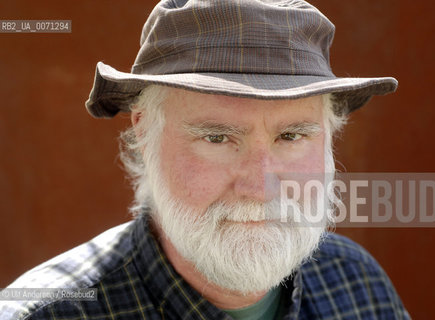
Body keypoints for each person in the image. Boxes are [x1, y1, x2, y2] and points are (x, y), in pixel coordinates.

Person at [1, 0, 410, 319]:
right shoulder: (46, 313)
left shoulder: (357, 283)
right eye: (217, 137)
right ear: (144, 131)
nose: (259, 186)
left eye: (291, 135)